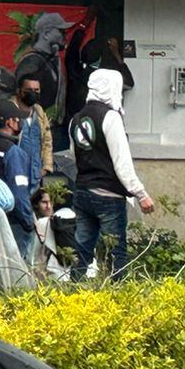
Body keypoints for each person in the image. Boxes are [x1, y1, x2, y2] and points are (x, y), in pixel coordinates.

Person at [68, 68, 155, 281]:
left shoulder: (75, 119)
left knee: (82, 250)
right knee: (115, 252)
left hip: (82, 192)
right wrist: (140, 193)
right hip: (109, 197)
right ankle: (116, 294)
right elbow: (121, 163)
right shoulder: (110, 117)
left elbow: (73, 156)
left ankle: (74, 290)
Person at [0, 98, 39, 261]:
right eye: (18, 119)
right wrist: (28, 221)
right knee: (17, 269)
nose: (21, 122)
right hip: (13, 222)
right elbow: (19, 192)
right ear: (10, 122)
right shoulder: (14, 152)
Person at [17, 12, 71, 112]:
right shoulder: (31, 62)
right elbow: (24, 100)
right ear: (46, 34)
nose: (65, 35)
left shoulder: (52, 60)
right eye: (61, 31)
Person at [13, 73, 53, 177]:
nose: (33, 93)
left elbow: (47, 141)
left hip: (35, 175)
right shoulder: (8, 111)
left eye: (36, 90)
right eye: (29, 90)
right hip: (14, 174)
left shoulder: (39, 112)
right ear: (19, 91)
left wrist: (46, 167)